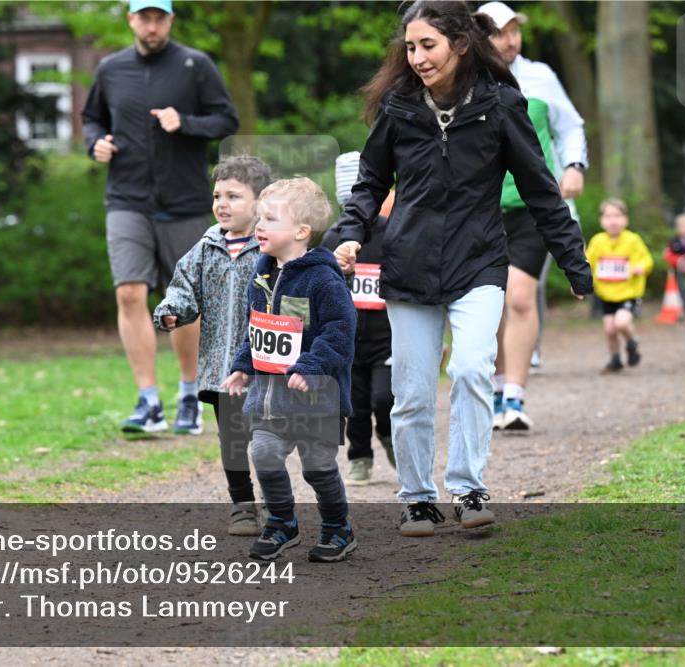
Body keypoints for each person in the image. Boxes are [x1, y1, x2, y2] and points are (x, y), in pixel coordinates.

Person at [331, 0, 592, 537]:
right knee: (413, 390)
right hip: (409, 265)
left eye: (428, 45)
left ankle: (469, 486)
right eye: (410, 47)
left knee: (473, 368)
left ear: (460, 44)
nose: (418, 57)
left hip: (478, 261)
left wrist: (574, 262)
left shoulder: (501, 105)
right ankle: (418, 497)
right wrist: (351, 232)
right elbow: (370, 183)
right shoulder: (398, 107)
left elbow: (543, 192)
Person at [81, 0, 239, 435]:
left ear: (170, 20)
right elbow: (91, 119)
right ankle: (148, 401)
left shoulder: (195, 64)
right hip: (126, 199)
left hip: (184, 202)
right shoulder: (110, 69)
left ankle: (189, 393)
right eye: (143, 17)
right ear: (131, 19)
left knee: (186, 303)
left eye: (159, 17)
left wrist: (184, 121)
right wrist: (95, 143)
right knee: (130, 293)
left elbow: (227, 119)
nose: (152, 25)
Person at [221, 177, 357, 563]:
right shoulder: (261, 276)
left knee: (318, 466)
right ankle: (282, 522)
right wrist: (242, 366)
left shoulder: (323, 279)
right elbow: (257, 328)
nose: (259, 226)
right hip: (269, 397)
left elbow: (340, 330)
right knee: (262, 452)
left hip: (316, 396)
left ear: (301, 231)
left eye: (270, 219)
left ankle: (337, 528)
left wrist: (311, 365)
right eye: (259, 218)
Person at [479, 1, 588, 431]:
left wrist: (574, 166)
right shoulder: (466, 80)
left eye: (514, 32)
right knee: (490, 302)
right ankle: (495, 387)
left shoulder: (540, 76)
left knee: (519, 296)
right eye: (499, 33)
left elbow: (572, 125)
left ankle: (515, 397)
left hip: (533, 206)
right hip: (483, 207)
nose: (510, 41)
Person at [153, 155, 273, 535]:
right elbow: (184, 287)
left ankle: (277, 503)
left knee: (268, 440)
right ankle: (242, 505)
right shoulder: (205, 248)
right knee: (233, 439)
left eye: (234, 196)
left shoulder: (273, 248)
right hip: (222, 368)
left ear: (260, 202)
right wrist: (173, 311)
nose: (222, 204)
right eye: (218, 195)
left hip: (267, 365)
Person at [322, 152, 396, 486]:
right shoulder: (331, 240)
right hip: (348, 342)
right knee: (354, 404)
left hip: (387, 338)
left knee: (385, 398)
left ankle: (390, 435)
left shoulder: (394, 234)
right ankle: (360, 457)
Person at [586, 198, 654, 373]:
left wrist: (641, 267)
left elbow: (647, 260)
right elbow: (587, 263)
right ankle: (615, 359)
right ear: (601, 221)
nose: (613, 220)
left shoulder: (633, 240)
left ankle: (632, 342)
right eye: (608, 216)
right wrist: (580, 281)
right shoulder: (597, 241)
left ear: (626, 219)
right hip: (606, 293)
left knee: (621, 323)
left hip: (628, 293)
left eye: (617, 216)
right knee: (609, 329)